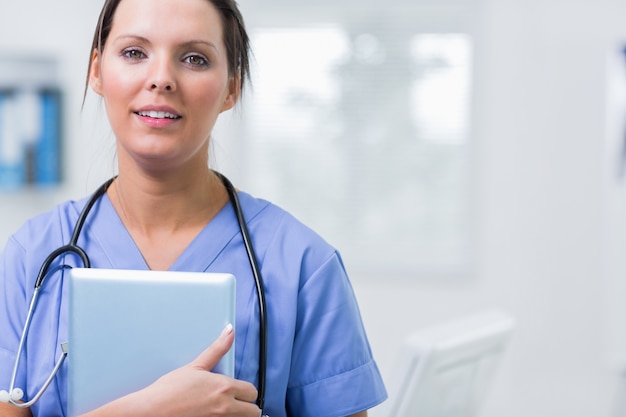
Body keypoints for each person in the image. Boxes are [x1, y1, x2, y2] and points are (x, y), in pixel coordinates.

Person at [0, 0, 387, 416]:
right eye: (134, 52)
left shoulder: (303, 266)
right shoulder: (32, 256)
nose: (161, 78)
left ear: (232, 88)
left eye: (194, 58)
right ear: (96, 70)